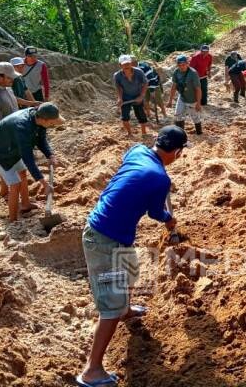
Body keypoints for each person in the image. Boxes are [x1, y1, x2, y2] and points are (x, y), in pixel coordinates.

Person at [77, 126, 187, 387]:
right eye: (181, 154)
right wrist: (170, 220)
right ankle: (91, 371)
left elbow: (137, 182)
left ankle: (126, 310)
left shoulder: (138, 150)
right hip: (104, 239)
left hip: (112, 230)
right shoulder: (160, 178)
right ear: (178, 151)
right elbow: (155, 213)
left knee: (129, 270)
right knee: (110, 307)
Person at [0, 103, 65, 222]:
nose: (53, 125)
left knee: (22, 172)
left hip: (12, 145)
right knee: (15, 184)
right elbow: (28, 159)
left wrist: (50, 155)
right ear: (44, 119)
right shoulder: (22, 126)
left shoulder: (39, 119)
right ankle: (13, 220)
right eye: (52, 123)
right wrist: (44, 184)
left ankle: (26, 204)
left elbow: (41, 139)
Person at [0, 62, 27, 201]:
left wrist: (31, 105)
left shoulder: (5, 87)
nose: (12, 80)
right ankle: (18, 204)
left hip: (12, 134)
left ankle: (6, 193)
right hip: (2, 140)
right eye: (9, 78)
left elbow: (12, 101)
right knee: (17, 173)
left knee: (18, 171)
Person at [167, 55, 203, 134]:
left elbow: (198, 89)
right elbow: (173, 86)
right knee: (178, 115)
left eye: (183, 65)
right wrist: (170, 100)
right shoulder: (176, 72)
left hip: (192, 99)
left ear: (187, 64)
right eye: (179, 65)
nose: (181, 67)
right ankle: (179, 133)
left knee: (195, 117)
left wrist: (198, 103)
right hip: (182, 96)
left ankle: (199, 132)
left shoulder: (193, 73)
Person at [114, 55, 148, 137]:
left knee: (141, 115)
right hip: (126, 97)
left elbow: (145, 83)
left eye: (128, 64)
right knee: (124, 117)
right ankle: (129, 133)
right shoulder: (117, 76)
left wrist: (141, 96)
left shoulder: (139, 72)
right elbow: (118, 87)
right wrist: (120, 98)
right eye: (124, 64)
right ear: (120, 65)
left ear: (131, 63)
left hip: (137, 95)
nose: (126, 66)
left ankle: (144, 133)